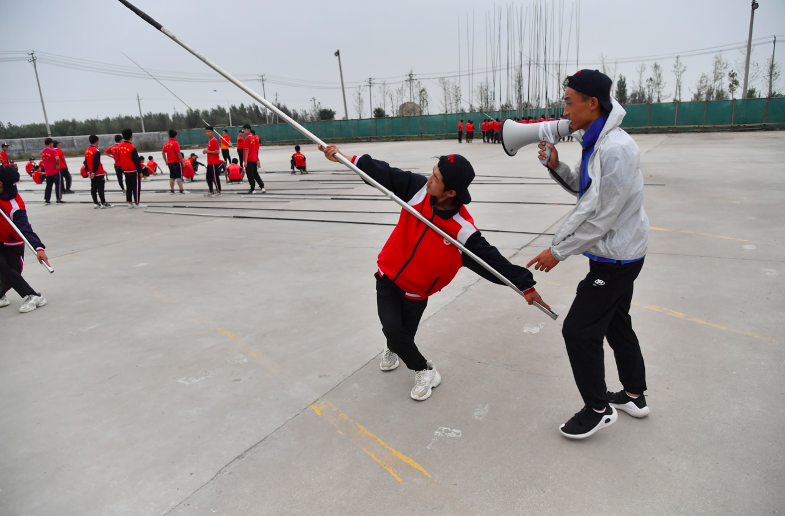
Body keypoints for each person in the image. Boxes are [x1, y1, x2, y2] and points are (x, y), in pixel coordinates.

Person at [318, 144, 550, 401]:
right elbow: (382, 173)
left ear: (451, 192)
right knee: (392, 328)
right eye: (433, 172)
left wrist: (524, 285)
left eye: (436, 178)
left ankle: (394, 347)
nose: (429, 178)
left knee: (403, 335)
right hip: (388, 275)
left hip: (417, 291)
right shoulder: (416, 189)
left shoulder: (461, 231)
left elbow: (492, 262)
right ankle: (425, 370)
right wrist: (343, 158)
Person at [527, 69, 650, 440]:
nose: (564, 109)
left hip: (616, 259)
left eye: (568, 101)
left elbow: (600, 216)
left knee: (578, 331)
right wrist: (556, 166)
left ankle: (598, 408)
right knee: (616, 323)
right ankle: (634, 395)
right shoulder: (596, 141)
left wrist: (557, 251)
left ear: (591, 103)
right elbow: (586, 190)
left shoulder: (616, 149)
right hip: (616, 253)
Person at [0, 166, 51, 313]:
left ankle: (35, 296)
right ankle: (2, 296)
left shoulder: (15, 206)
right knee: (3, 269)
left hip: (13, 243)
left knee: (10, 273)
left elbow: (25, 229)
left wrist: (38, 248)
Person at [118, 129, 146, 209]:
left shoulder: (120, 146)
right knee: (136, 187)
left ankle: (130, 203)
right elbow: (136, 161)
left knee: (128, 186)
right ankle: (137, 203)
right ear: (131, 137)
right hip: (133, 170)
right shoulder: (132, 147)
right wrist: (140, 171)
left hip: (125, 170)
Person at [84, 135, 112, 209]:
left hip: (91, 173)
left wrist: (88, 172)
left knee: (93, 187)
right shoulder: (96, 151)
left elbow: (86, 162)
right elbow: (96, 162)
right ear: (96, 142)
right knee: (100, 188)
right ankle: (103, 203)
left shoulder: (87, 150)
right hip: (98, 173)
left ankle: (96, 203)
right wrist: (93, 172)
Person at [242, 125, 265, 194]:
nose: (244, 131)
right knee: (255, 174)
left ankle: (252, 189)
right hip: (254, 158)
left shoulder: (247, 138)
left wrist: (245, 161)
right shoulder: (252, 137)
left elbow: (247, 150)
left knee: (250, 175)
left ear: (248, 130)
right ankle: (262, 186)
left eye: (245, 129)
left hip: (249, 159)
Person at [162, 130, 187, 194]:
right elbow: (178, 153)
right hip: (176, 162)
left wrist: (166, 160)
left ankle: (172, 190)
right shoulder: (175, 143)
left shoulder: (166, 143)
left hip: (170, 162)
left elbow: (163, 153)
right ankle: (181, 190)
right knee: (179, 176)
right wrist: (182, 161)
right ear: (175, 136)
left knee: (172, 176)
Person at [40, 138, 63, 205]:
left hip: (48, 172)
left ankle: (47, 200)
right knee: (58, 185)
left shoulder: (42, 152)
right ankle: (58, 199)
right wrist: (58, 164)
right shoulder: (53, 151)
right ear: (50, 143)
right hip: (55, 171)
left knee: (48, 186)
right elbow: (57, 158)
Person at [203, 126, 223, 197]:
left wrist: (208, 151)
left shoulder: (214, 140)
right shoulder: (210, 140)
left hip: (214, 162)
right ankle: (211, 190)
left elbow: (217, 151)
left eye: (208, 132)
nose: (207, 133)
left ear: (212, 132)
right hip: (210, 162)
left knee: (215, 177)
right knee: (208, 177)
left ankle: (218, 191)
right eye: (206, 132)